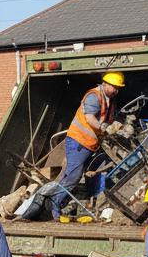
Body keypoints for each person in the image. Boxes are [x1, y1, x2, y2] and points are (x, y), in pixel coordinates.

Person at [53, 72, 124, 214]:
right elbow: (90, 118)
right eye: (114, 87)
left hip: (92, 144)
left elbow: (109, 118)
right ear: (105, 83)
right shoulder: (94, 96)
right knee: (73, 175)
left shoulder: (109, 99)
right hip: (79, 142)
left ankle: (94, 207)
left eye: (118, 88)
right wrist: (104, 128)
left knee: (99, 172)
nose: (116, 90)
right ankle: (54, 206)